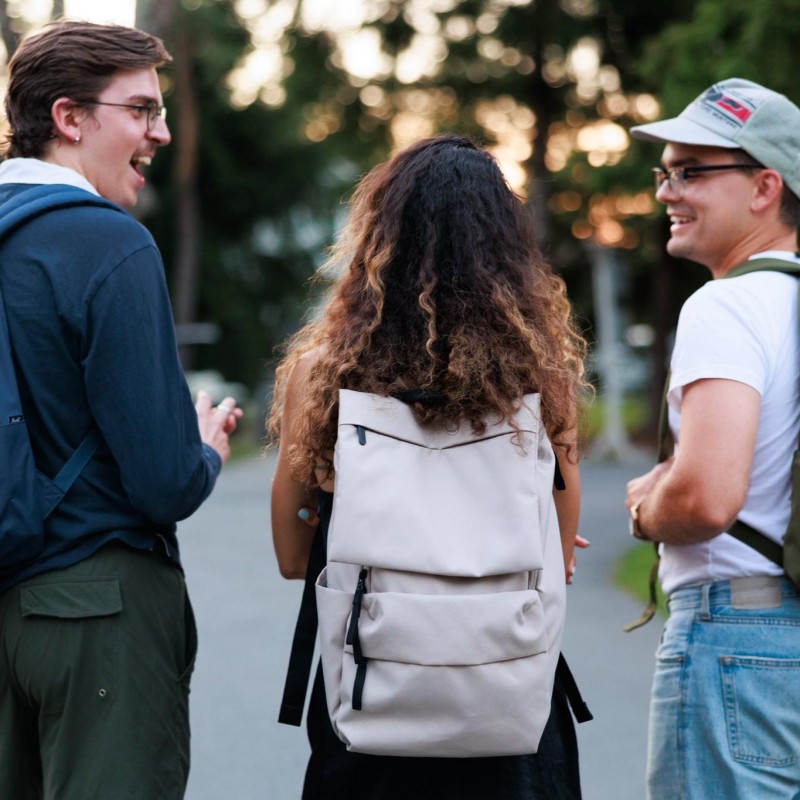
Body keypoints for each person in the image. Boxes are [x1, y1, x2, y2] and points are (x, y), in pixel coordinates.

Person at [268, 134, 589, 799]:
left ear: (379, 239)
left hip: (370, 702)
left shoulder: (324, 375)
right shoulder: (541, 379)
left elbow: (295, 556)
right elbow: (555, 559)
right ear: (506, 246)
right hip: (506, 708)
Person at [0, 20, 242, 799]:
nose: (162, 132)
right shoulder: (109, 245)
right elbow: (164, 481)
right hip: (97, 612)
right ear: (69, 118)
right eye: (140, 110)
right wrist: (204, 450)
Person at [626, 78, 800, 799]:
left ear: (765, 187)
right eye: (665, 173)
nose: (668, 191)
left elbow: (704, 499)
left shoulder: (726, 306)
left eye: (691, 172)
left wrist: (646, 505)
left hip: (740, 637)